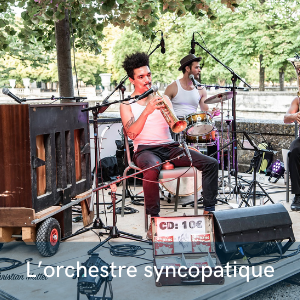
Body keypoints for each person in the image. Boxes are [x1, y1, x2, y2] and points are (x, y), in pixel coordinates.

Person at [120, 52, 218, 239]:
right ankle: (154, 222)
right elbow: (132, 133)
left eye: (148, 75)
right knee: (152, 168)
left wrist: (168, 111)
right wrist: (147, 111)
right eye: (141, 77)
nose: (147, 80)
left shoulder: (162, 98)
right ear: (132, 80)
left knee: (210, 163)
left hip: (169, 145)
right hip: (144, 149)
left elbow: (175, 126)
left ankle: (208, 215)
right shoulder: (127, 103)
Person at [284, 96, 300, 211]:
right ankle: (298, 195)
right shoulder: (297, 100)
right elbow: (286, 118)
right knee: (294, 151)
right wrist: (295, 116)